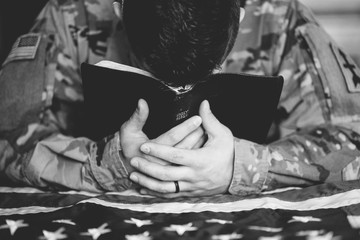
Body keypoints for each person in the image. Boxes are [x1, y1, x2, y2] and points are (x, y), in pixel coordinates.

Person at [0, 0, 359, 198]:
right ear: (118, 7)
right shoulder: (70, 12)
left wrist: (244, 165)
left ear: (243, 12)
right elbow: (6, 133)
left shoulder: (278, 14)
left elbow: (352, 134)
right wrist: (109, 164)